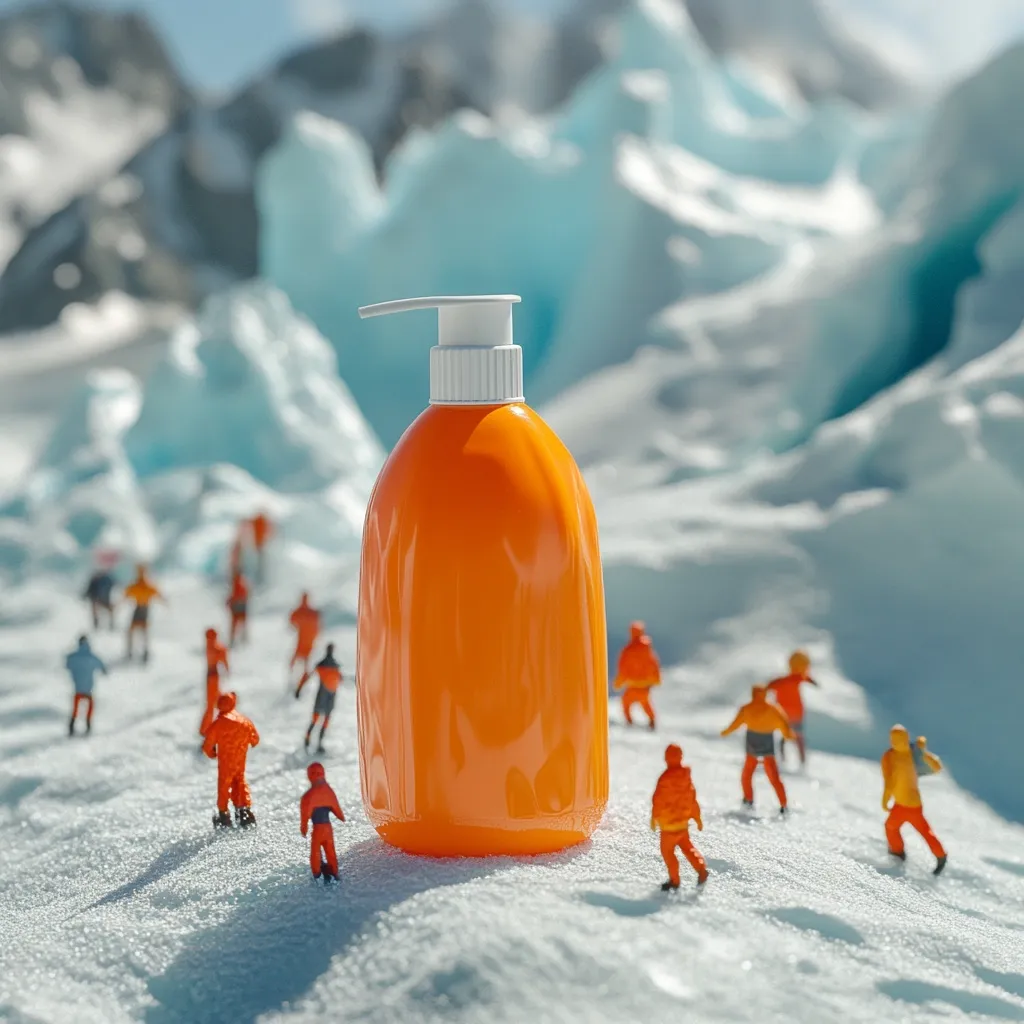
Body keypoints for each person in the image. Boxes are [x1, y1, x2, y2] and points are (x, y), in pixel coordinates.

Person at [881, 725, 947, 875]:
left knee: (923, 831)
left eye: (901, 739)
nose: (898, 742)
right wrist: (886, 799)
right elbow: (889, 781)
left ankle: (940, 856)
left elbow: (936, 767)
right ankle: (897, 853)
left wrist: (923, 753)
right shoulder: (890, 756)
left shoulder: (912, 754)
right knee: (892, 826)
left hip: (911, 806)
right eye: (895, 739)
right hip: (901, 805)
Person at [720, 685, 795, 813]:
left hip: (752, 746)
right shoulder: (773, 709)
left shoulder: (746, 709)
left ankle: (748, 799)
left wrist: (726, 732)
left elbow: (735, 723)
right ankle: (783, 804)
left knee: (747, 774)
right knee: (773, 776)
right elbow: (783, 722)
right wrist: (787, 735)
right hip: (767, 746)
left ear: (753, 694)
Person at [651, 744, 708, 890]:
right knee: (688, 847)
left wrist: (654, 817)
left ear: (666, 758)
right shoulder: (686, 777)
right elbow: (692, 798)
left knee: (668, 853)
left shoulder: (664, 779)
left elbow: (658, 800)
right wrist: (697, 817)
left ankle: (674, 881)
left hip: (669, 826)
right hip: (682, 823)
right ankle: (701, 868)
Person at [202, 692, 260, 828]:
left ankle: (224, 816)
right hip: (240, 760)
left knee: (224, 786)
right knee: (239, 781)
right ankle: (244, 812)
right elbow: (255, 740)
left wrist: (212, 754)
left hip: (225, 762)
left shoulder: (218, 724)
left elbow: (207, 746)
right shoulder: (245, 721)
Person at [766, 650, 819, 766]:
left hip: (787, 714)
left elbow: (768, 686)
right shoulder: (793, 679)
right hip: (792, 714)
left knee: (787, 737)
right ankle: (799, 762)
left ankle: (787, 760)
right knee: (796, 737)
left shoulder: (782, 681)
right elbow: (807, 679)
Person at [300, 762, 346, 882]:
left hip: (318, 829)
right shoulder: (329, 791)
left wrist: (304, 827)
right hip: (328, 828)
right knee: (330, 850)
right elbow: (337, 809)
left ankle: (316, 872)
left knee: (315, 850)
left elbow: (305, 814)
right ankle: (334, 871)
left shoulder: (309, 796)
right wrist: (341, 817)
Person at [611, 621, 661, 729]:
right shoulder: (647, 649)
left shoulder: (628, 651)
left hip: (633, 685)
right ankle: (652, 720)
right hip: (644, 686)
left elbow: (623, 668)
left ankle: (629, 722)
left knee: (626, 703)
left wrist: (618, 682)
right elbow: (654, 664)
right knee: (645, 703)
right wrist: (656, 678)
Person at [298, 643, 342, 752]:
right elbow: (340, 679)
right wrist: (299, 688)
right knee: (320, 719)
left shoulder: (327, 665)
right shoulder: (332, 666)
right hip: (329, 695)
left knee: (320, 719)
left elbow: (309, 676)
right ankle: (312, 741)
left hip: (326, 695)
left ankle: (315, 741)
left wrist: (299, 688)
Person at [66, 636, 108, 737]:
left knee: (75, 709)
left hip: (78, 689)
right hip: (88, 689)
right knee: (90, 708)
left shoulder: (73, 657)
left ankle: (71, 726)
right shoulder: (91, 657)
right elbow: (102, 666)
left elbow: (67, 664)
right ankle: (88, 725)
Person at [123, 564, 163, 663]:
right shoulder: (142, 585)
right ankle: (136, 651)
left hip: (142, 609)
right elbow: (126, 594)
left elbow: (126, 594)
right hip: (141, 609)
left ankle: (139, 651)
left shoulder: (143, 585)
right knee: (138, 631)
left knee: (139, 631)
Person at [201, 628, 230, 737]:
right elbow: (223, 657)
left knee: (213, 702)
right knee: (212, 704)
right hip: (213, 676)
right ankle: (207, 729)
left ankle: (207, 728)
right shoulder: (215, 648)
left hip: (211, 676)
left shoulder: (209, 646)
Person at [289, 592, 321, 682]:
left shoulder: (300, 611)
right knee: (305, 657)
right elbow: (318, 625)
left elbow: (291, 620)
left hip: (304, 639)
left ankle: (294, 672)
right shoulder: (311, 612)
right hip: (308, 639)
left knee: (299, 656)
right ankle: (302, 675)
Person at [248, 511, 273, 584]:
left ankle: (260, 577)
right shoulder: (262, 522)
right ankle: (260, 577)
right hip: (260, 544)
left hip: (259, 544)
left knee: (260, 562)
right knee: (260, 562)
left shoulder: (257, 521)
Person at [226, 571, 249, 648]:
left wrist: (229, 601)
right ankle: (243, 638)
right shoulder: (243, 583)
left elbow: (235, 595)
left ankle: (234, 640)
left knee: (234, 623)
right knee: (242, 623)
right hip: (242, 606)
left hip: (237, 606)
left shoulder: (237, 583)